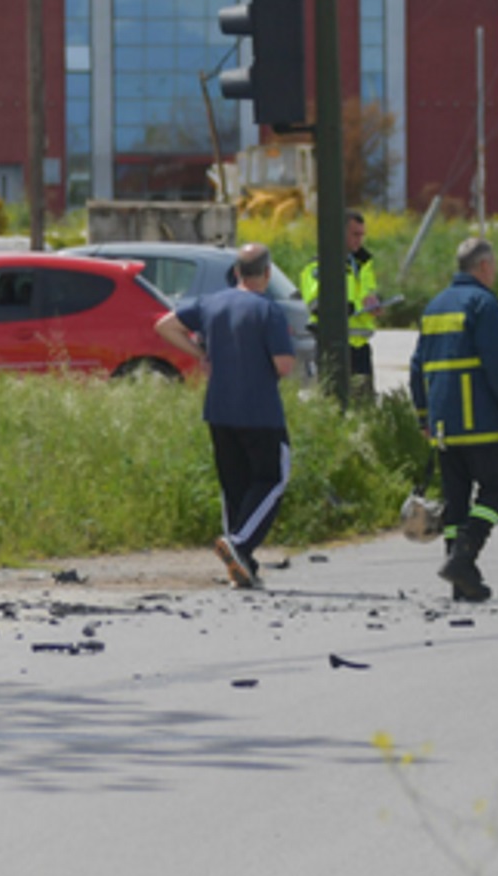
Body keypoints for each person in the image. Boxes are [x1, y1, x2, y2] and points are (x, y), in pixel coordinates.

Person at [154, 243, 297, 590]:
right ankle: (239, 544)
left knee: (235, 485)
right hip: (260, 411)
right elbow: (284, 365)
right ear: (266, 273)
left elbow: (164, 325)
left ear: (236, 273)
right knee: (272, 477)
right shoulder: (269, 311)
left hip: (219, 410)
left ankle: (242, 564)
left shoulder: (211, 303)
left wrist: (201, 353)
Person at [410, 237, 498, 602]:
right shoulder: (483, 303)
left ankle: (459, 578)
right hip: (478, 420)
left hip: (444, 422)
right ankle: (464, 557)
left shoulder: (434, 306)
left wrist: (423, 415)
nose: (494, 272)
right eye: (493, 266)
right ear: (483, 267)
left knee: (457, 499)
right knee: (497, 489)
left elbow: (417, 368)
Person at [299, 208, 381, 386]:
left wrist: (375, 303)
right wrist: (347, 307)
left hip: (360, 347)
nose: (359, 240)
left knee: (365, 404)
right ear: (339, 232)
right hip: (334, 345)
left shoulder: (363, 265)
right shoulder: (318, 266)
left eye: (362, 235)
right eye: (355, 234)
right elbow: (316, 303)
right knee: (336, 401)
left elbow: (368, 293)